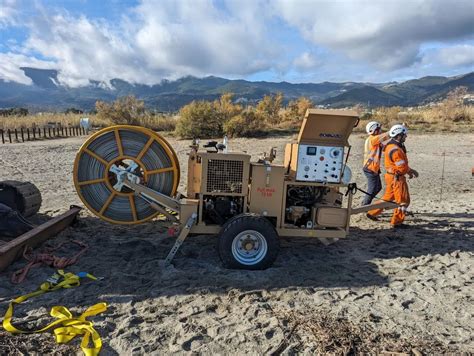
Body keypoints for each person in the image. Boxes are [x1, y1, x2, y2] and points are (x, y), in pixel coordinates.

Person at [367, 124, 419, 228]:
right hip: (397, 178)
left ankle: (371, 213)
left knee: (387, 198)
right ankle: (397, 222)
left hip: (390, 176)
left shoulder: (390, 146)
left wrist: (407, 171)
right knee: (403, 201)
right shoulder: (396, 150)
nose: (406, 137)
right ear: (399, 136)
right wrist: (410, 170)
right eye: (404, 135)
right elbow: (402, 168)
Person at [362, 121, 390, 206]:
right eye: (378, 129)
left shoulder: (373, 139)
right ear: (374, 130)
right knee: (372, 189)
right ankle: (364, 206)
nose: (380, 130)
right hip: (370, 168)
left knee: (378, 187)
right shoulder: (373, 139)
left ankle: (365, 204)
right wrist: (397, 129)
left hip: (373, 168)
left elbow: (384, 145)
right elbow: (386, 136)